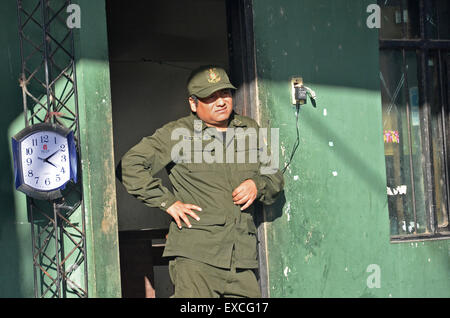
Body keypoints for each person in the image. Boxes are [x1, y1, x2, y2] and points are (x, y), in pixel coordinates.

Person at [120, 65, 284, 298]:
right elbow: (130, 166)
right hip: (197, 257)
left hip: (241, 258)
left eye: (225, 94)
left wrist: (257, 185)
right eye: (210, 97)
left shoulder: (248, 128)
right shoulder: (177, 134)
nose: (220, 102)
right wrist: (167, 202)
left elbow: (274, 177)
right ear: (193, 103)